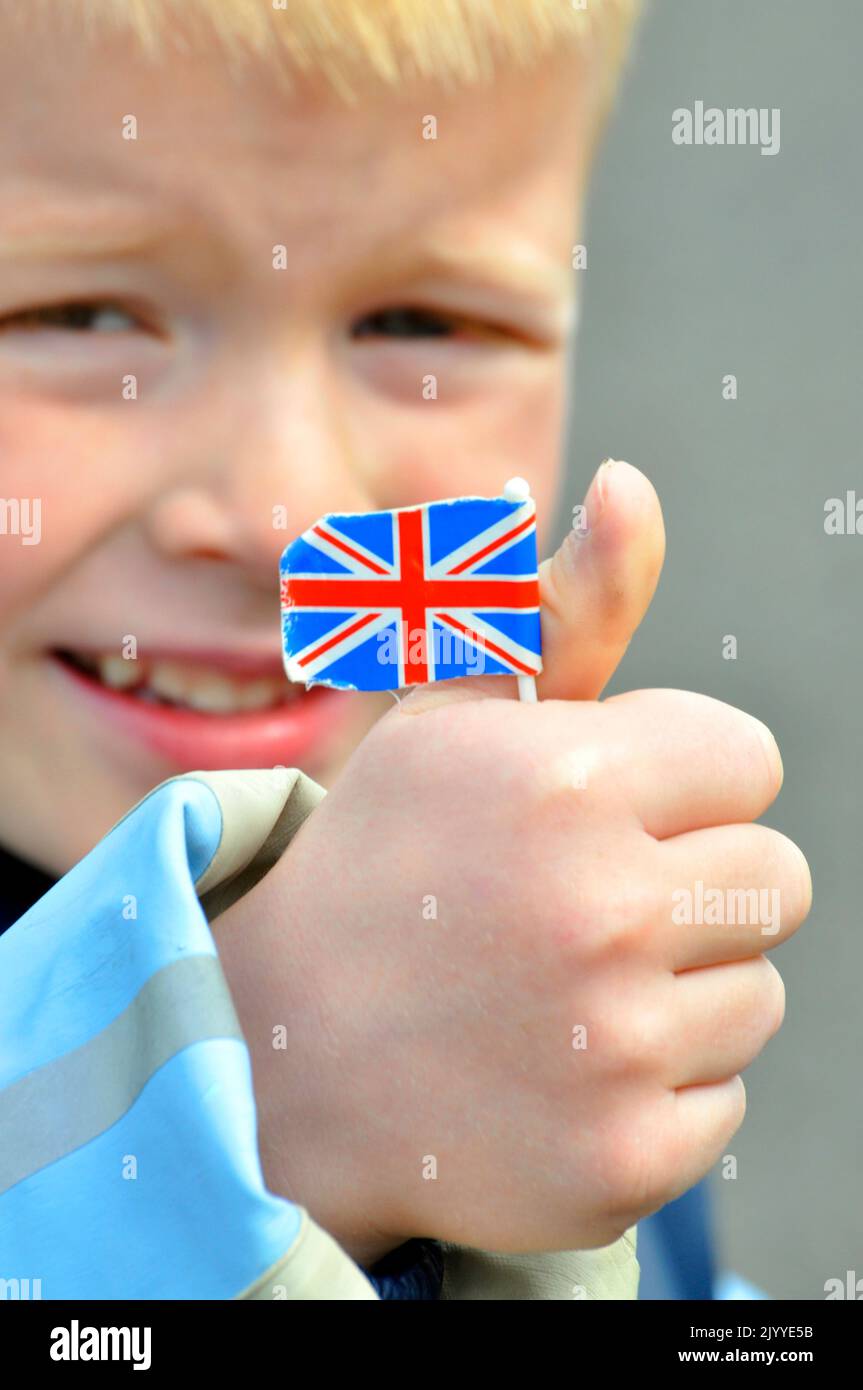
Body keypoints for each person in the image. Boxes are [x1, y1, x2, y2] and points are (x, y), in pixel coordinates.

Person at [0, 0, 811, 1299]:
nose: (280, 515)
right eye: (84, 315)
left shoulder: (539, 964)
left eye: (422, 327)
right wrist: (269, 1077)